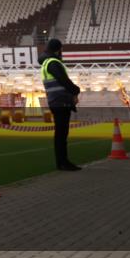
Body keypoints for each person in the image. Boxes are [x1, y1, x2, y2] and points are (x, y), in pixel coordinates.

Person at [38, 38, 82, 171]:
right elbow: (64, 81)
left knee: (60, 134)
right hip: (61, 101)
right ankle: (63, 162)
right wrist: (76, 90)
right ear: (58, 49)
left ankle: (61, 162)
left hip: (55, 101)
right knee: (62, 134)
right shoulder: (53, 63)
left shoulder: (46, 63)